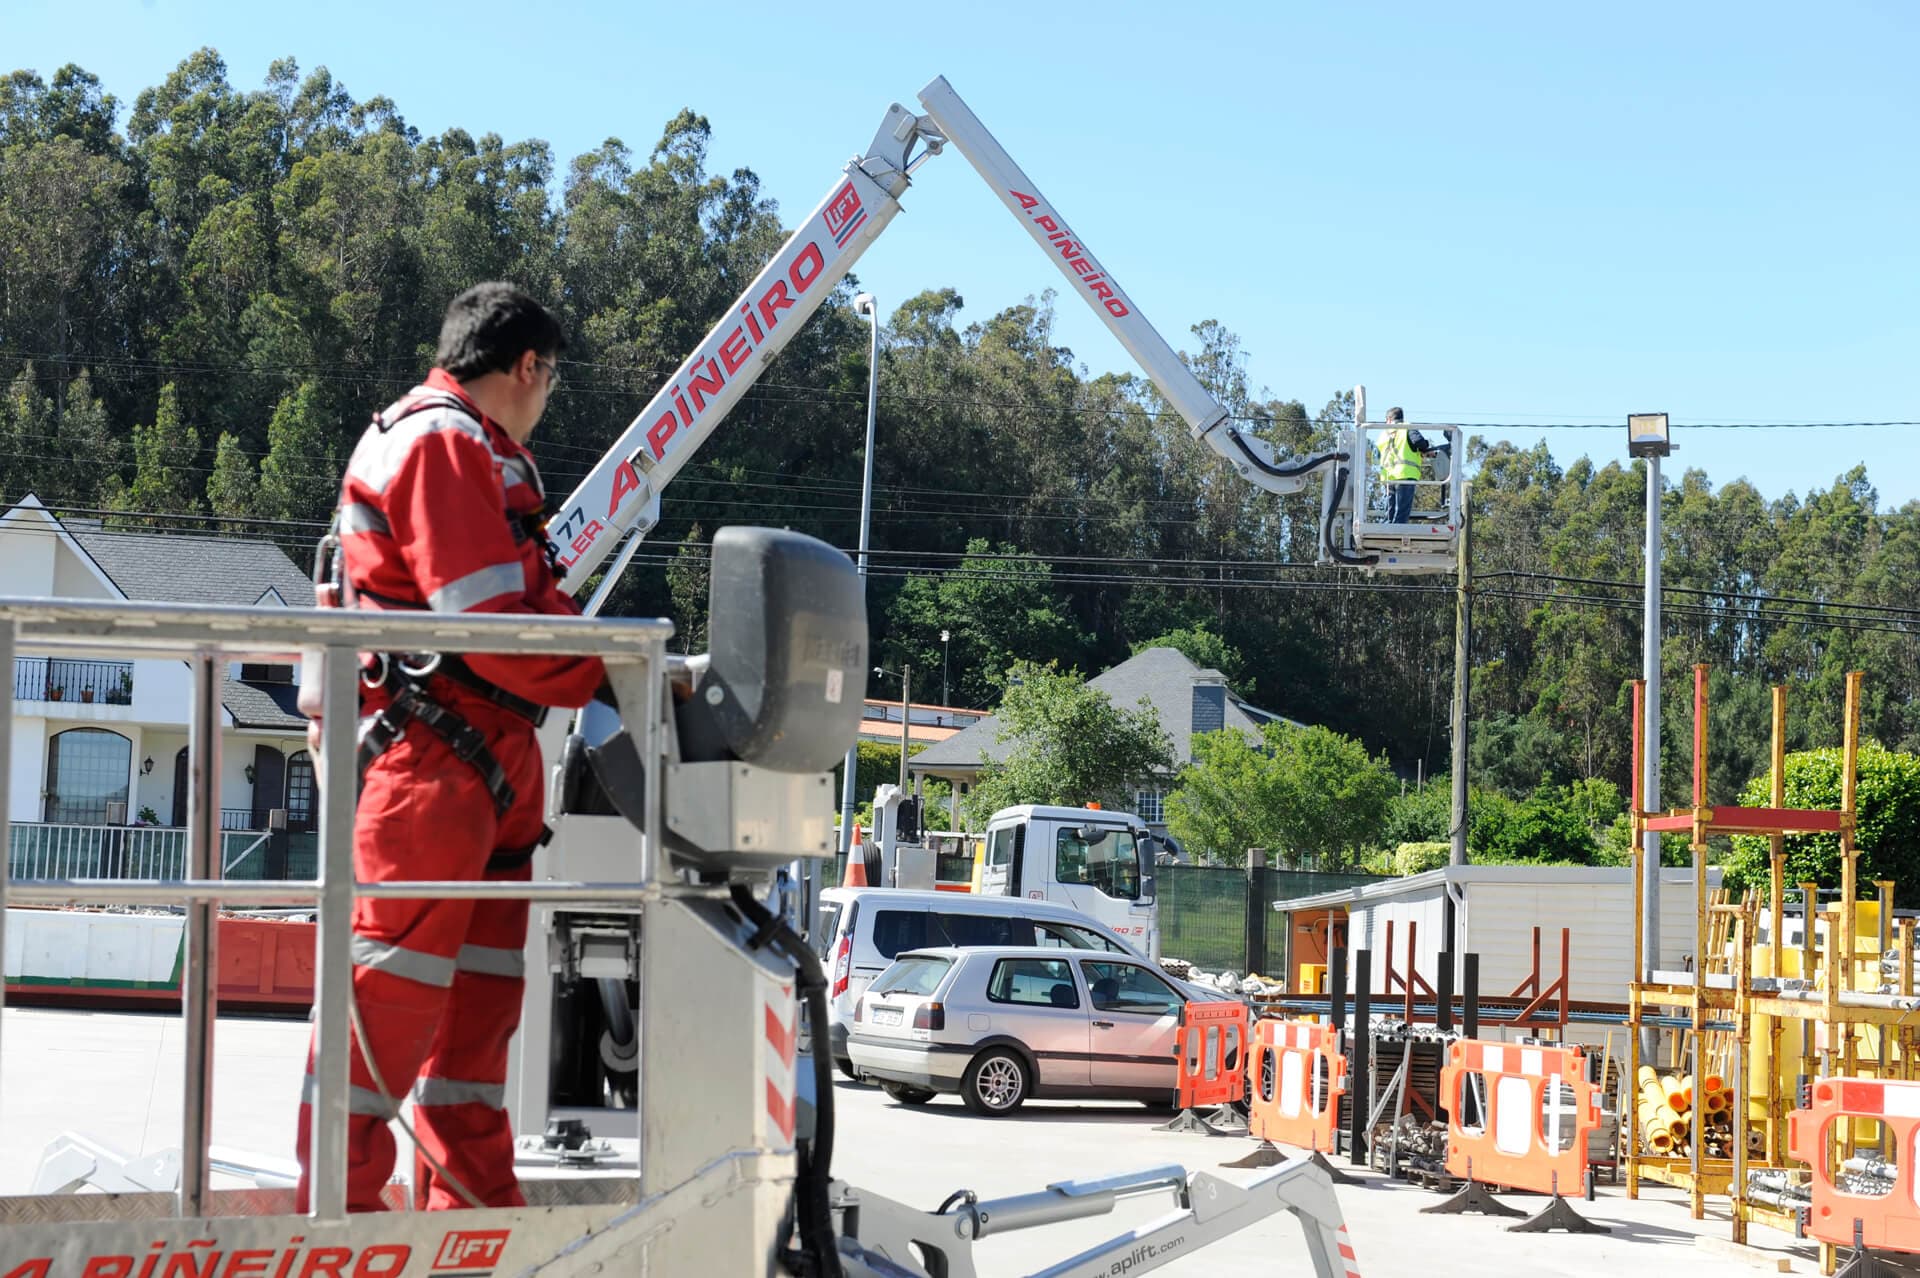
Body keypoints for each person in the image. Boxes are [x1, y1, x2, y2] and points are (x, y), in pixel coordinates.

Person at [294, 282, 607, 1212]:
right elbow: (490, 624)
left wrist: (607, 660)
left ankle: (471, 1226)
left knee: (475, 1025)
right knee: (385, 1010)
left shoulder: (474, 449)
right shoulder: (441, 441)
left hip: (477, 767)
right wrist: (614, 671)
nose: (548, 400)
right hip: (430, 767)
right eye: (551, 380)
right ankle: (342, 1228)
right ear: (527, 366)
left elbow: (531, 609)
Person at [1377, 406, 1446, 524]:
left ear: (1389, 419)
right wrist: (1425, 448)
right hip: (1405, 475)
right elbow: (1419, 442)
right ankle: (1397, 534)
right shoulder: (1407, 428)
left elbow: (1380, 455)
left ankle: (1387, 530)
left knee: (1389, 511)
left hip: (1388, 478)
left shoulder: (1383, 435)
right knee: (1402, 511)